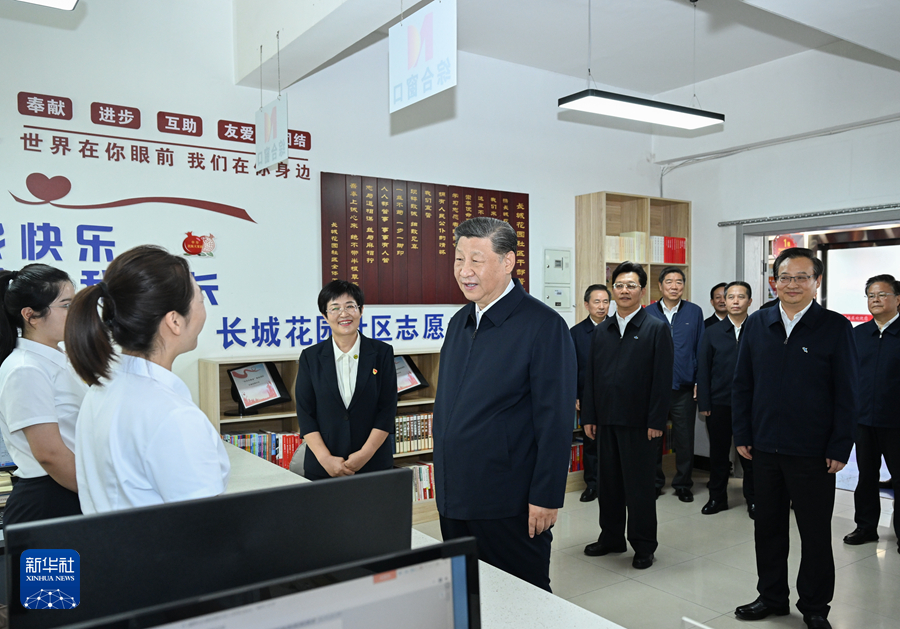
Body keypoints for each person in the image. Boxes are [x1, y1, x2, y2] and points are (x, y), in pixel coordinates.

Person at [433, 217, 575, 592]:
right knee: (466, 596)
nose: (464, 271)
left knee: (520, 601)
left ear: (508, 261)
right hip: (455, 495)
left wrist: (546, 496)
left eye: (476, 260)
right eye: (459, 259)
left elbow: (556, 420)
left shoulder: (543, 325)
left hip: (508, 503)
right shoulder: (459, 322)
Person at [732, 247, 858, 629]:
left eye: (802, 277)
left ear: (816, 282)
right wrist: (743, 433)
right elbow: (742, 384)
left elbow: (848, 393)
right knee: (767, 527)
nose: (793, 284)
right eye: (785, 277)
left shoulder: (835, 327)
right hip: (764, 447)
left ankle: (815, 605)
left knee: (815, 533)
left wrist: (840, 446)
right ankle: (771, 596)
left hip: (813, 452)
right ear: (774, 282)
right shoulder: (757, 324)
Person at [67, 245, 231, 513]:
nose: (203, 308)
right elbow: (204, 527)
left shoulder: (103, 389)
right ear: (174, 321)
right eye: (200, 299)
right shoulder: (173, 416)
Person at [581, 262, 673, 570]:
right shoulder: (602, 329)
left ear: (643, 291)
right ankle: (611, 538)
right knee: (608, 486)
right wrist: (590, 416)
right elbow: (591, 377)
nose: (624, 290)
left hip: (640, 424)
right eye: (618, 285)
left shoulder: (655, 328)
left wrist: (656, 421)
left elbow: (662, 380)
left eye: (631, 285)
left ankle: (644, 545)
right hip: (606, 420)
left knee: (640, 488)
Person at [0, 265, 85, 526]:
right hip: (49, 501)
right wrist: (97, 494)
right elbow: (49, 453)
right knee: (58, 569)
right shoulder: (25, 369)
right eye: (66, 305)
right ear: (31, 316)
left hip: (70, 491)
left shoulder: (60, 358)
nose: (74, 313)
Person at [294, 280, 397, 480]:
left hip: (373, 463)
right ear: (324, 316)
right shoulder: (310, 357)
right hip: (323, 466)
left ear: (361, 310)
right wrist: (326, 459)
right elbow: (305, 414)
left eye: (350, 306)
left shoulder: (382, 353)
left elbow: (387, 409)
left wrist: (363, 455)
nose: (344, 314)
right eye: (335, 308)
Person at [843, 274, 900, 551]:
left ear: (898, 299)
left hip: (896, 422)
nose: (875, 300)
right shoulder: (857, 334)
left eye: (882, 294)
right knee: (865, 476)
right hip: (863, 419)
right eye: (871, 296)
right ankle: (866, 527)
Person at [645, 266, 704, 502]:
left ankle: (683, 484)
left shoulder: (694, 312)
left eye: (679, 282)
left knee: (684, 439)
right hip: (654, 390)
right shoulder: (647, 312)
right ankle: (654, 482)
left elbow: (700, 348)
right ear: (660, 286)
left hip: (684, 387)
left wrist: (699, 379)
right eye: (669, 282)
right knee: (652, 438)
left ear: (684, 286)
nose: (674, 286)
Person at [696, 281, 755, 518]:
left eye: (741, 297)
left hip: (751, 406)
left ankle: (754, 500)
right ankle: (717, 498)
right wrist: (705, 403)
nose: (735, 301)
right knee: (719, 455)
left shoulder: (759, 329)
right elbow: (704, 369)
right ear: (724, 301)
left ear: (749, 301)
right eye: (731, 297)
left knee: (751, 456)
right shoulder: (712, 332)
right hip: (719, 403)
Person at [571, 284, 611, 503]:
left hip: (615, 397)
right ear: (587, 304)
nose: (602, 306)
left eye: (605, 301)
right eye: (597, 301)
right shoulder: (576, 333)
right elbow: (571, 367)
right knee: (591, 442)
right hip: (588, 396)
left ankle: (612, 485)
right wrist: (575, 395)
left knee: (613, 443)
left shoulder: (618, 329)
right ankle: (593, 485)